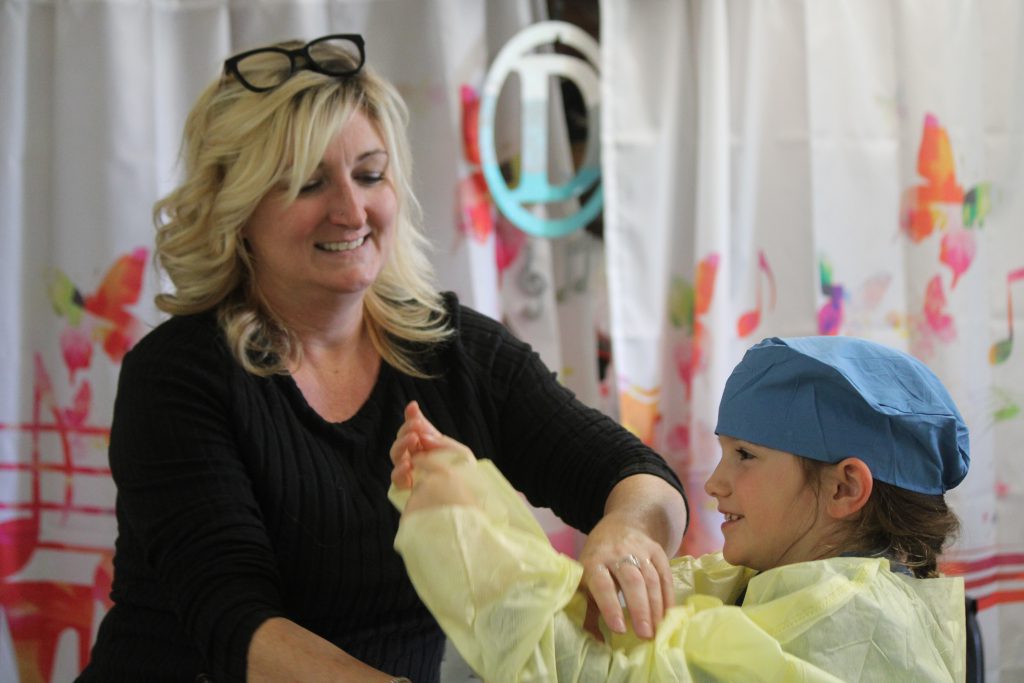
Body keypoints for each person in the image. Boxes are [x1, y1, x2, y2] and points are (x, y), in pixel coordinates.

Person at [74, 33, 687, 683]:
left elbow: (637, 473)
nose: (351, 209)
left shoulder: (453, 350)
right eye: (309, 183)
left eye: (369, 174)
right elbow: (237, 626)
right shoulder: (176, 377)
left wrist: (626, 531)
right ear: (240, 209)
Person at [391, 336, 969, 682]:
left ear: (845, 488)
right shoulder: (784, 582)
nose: (715, 484)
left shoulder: (850, 625)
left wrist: (457, 514)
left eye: (745, 456)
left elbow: (601, 672)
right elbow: (626, 622)